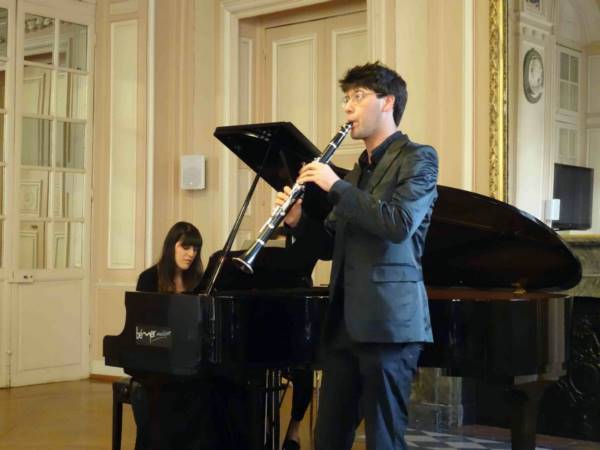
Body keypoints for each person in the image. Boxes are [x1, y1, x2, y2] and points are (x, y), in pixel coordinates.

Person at [275, 61, 439, 450]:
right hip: (343, 325)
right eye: (346, 98)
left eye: (358, 96)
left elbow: (398, 224)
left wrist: (335, 185)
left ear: (388, 102)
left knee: (383, 440)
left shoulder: (418, 158)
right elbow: (329, 244)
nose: (347, 106)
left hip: (389, 326)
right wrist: (298, 221)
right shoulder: (356, 173)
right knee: (328, 437)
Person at [132, 221, 214, 450]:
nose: (191, 254)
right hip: (157, 360)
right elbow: (143, 331)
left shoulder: (200, 280)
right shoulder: (149, 278)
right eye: (185, 247)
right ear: (171, 246)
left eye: (195, 249)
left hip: (189, 361)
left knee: (212, 388)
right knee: (164, 392)